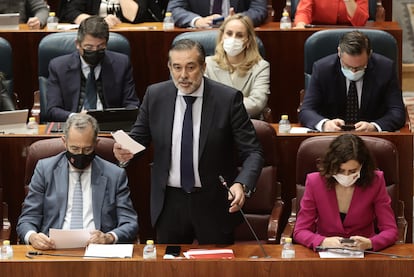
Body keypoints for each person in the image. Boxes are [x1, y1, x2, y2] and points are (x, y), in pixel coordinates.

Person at [113, 39, 264, 244]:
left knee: (214, 267)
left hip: (213, 203)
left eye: (190, 67)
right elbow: (138, 140)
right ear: (169, 67)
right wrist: (125, 153)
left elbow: (253, 151)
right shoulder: (155, 95)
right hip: (169, 203)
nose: (183, 75)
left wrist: (242, 184)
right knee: (169, 267)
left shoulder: (227, 99)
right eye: (177, 67)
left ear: (203, 67)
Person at [17, 113, 138, 250]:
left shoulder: (114, 175)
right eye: (74, 149)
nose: (80, 154)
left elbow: (130, 223)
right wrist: (33, 237)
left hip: (98, 251)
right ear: (64, 142)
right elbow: (27, 219)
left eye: (87, 149)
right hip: (52, 250)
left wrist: (108, 237)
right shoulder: (45, 170)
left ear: (96, 144)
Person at [294, 134, 398, 252]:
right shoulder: (315, 182)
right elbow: (300, 231)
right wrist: (322, 241)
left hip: (364, 253)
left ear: (362, 167)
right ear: (331, 165)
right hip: (326, 252)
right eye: (341, 170)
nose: (346, 176)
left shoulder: (375, 181)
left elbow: (391, 230)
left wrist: (370, 243)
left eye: (353, 171)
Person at [299, 31, 405, 132]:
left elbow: (397, 112)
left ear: (369, 54)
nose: (353, 71)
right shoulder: (322, 69)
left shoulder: (385, 69)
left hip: (371, 137)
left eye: (359, 67)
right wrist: (324, 124)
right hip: (333, 137)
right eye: (348, 66)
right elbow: (306, 110)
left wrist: (375, 126)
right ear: (339, 52)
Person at [46, 16, 140, 122]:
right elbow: (52, 110)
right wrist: (75, 117)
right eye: (89, 47)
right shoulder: (59, 67)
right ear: (78, 44)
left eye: (100, 47)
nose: (94, 51)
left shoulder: (121, 64)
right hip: (74, 126)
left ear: (106, 44)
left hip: (110, 125)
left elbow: (132, 104)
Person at [205, 14, 270, 119]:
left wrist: (219, 102)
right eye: (229, 34)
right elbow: (205, 102)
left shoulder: (261, 67)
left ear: (248, 41)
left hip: (245, 126)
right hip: (214, 125)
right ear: (222, 37)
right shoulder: (207, 64)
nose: (233, 39)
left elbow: (256, 104)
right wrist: (239, 101)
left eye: (239, 35)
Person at [59, 0, 169, 27]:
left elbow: (134, 16)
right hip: (95, 33)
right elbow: (71, 12)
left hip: (131, 37)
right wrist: (99, 22)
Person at [167, 0, 268, 28]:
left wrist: (237, 20)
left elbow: (259, 10)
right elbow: (174, 9)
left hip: (237, 36)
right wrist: (197, 21)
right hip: (198, 36)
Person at [294, 0, 369, 28]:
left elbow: (360, 22)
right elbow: (303, 11)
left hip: (350, 33)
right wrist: (301, 25)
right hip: (318, 31)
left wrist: (348, 1)